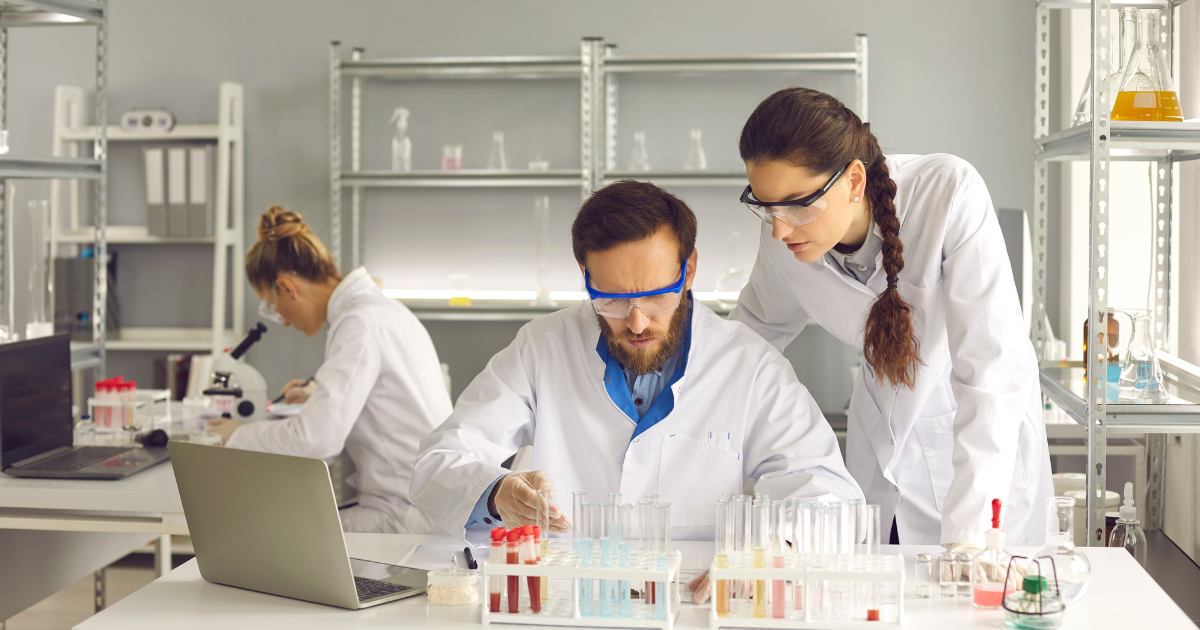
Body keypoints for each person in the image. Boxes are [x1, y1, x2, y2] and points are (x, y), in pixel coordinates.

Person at [410, 180, 863, 544]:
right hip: (571, 602)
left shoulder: (750, 366)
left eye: (655, 294)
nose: (637, 321)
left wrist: (769, 549)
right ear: (585, 278)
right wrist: (496, 493)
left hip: (690, 605)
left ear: (688, 271)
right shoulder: (543, 346)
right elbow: (439, 461)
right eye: (610, 300)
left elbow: (829, 495)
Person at [730, 87, 1052, 548]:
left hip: (978, 456)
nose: (780, 228)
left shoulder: (948, 193)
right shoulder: (782, 237)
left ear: (854, 182)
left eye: (798, 205)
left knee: (971, 603)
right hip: (877, 447)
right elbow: (753, 337)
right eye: (765, 206)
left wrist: (970, 535)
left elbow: (991, 370)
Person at [209, 207, 453, 534]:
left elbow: (314, 442)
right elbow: (385, 393)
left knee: (267, 534)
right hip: (427, 505)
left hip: (405, 518)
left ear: (287, 288)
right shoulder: (381, 310)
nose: (281, 319)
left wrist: (234, 434)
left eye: (271, 305)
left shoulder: (358, 324)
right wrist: (319, 394)